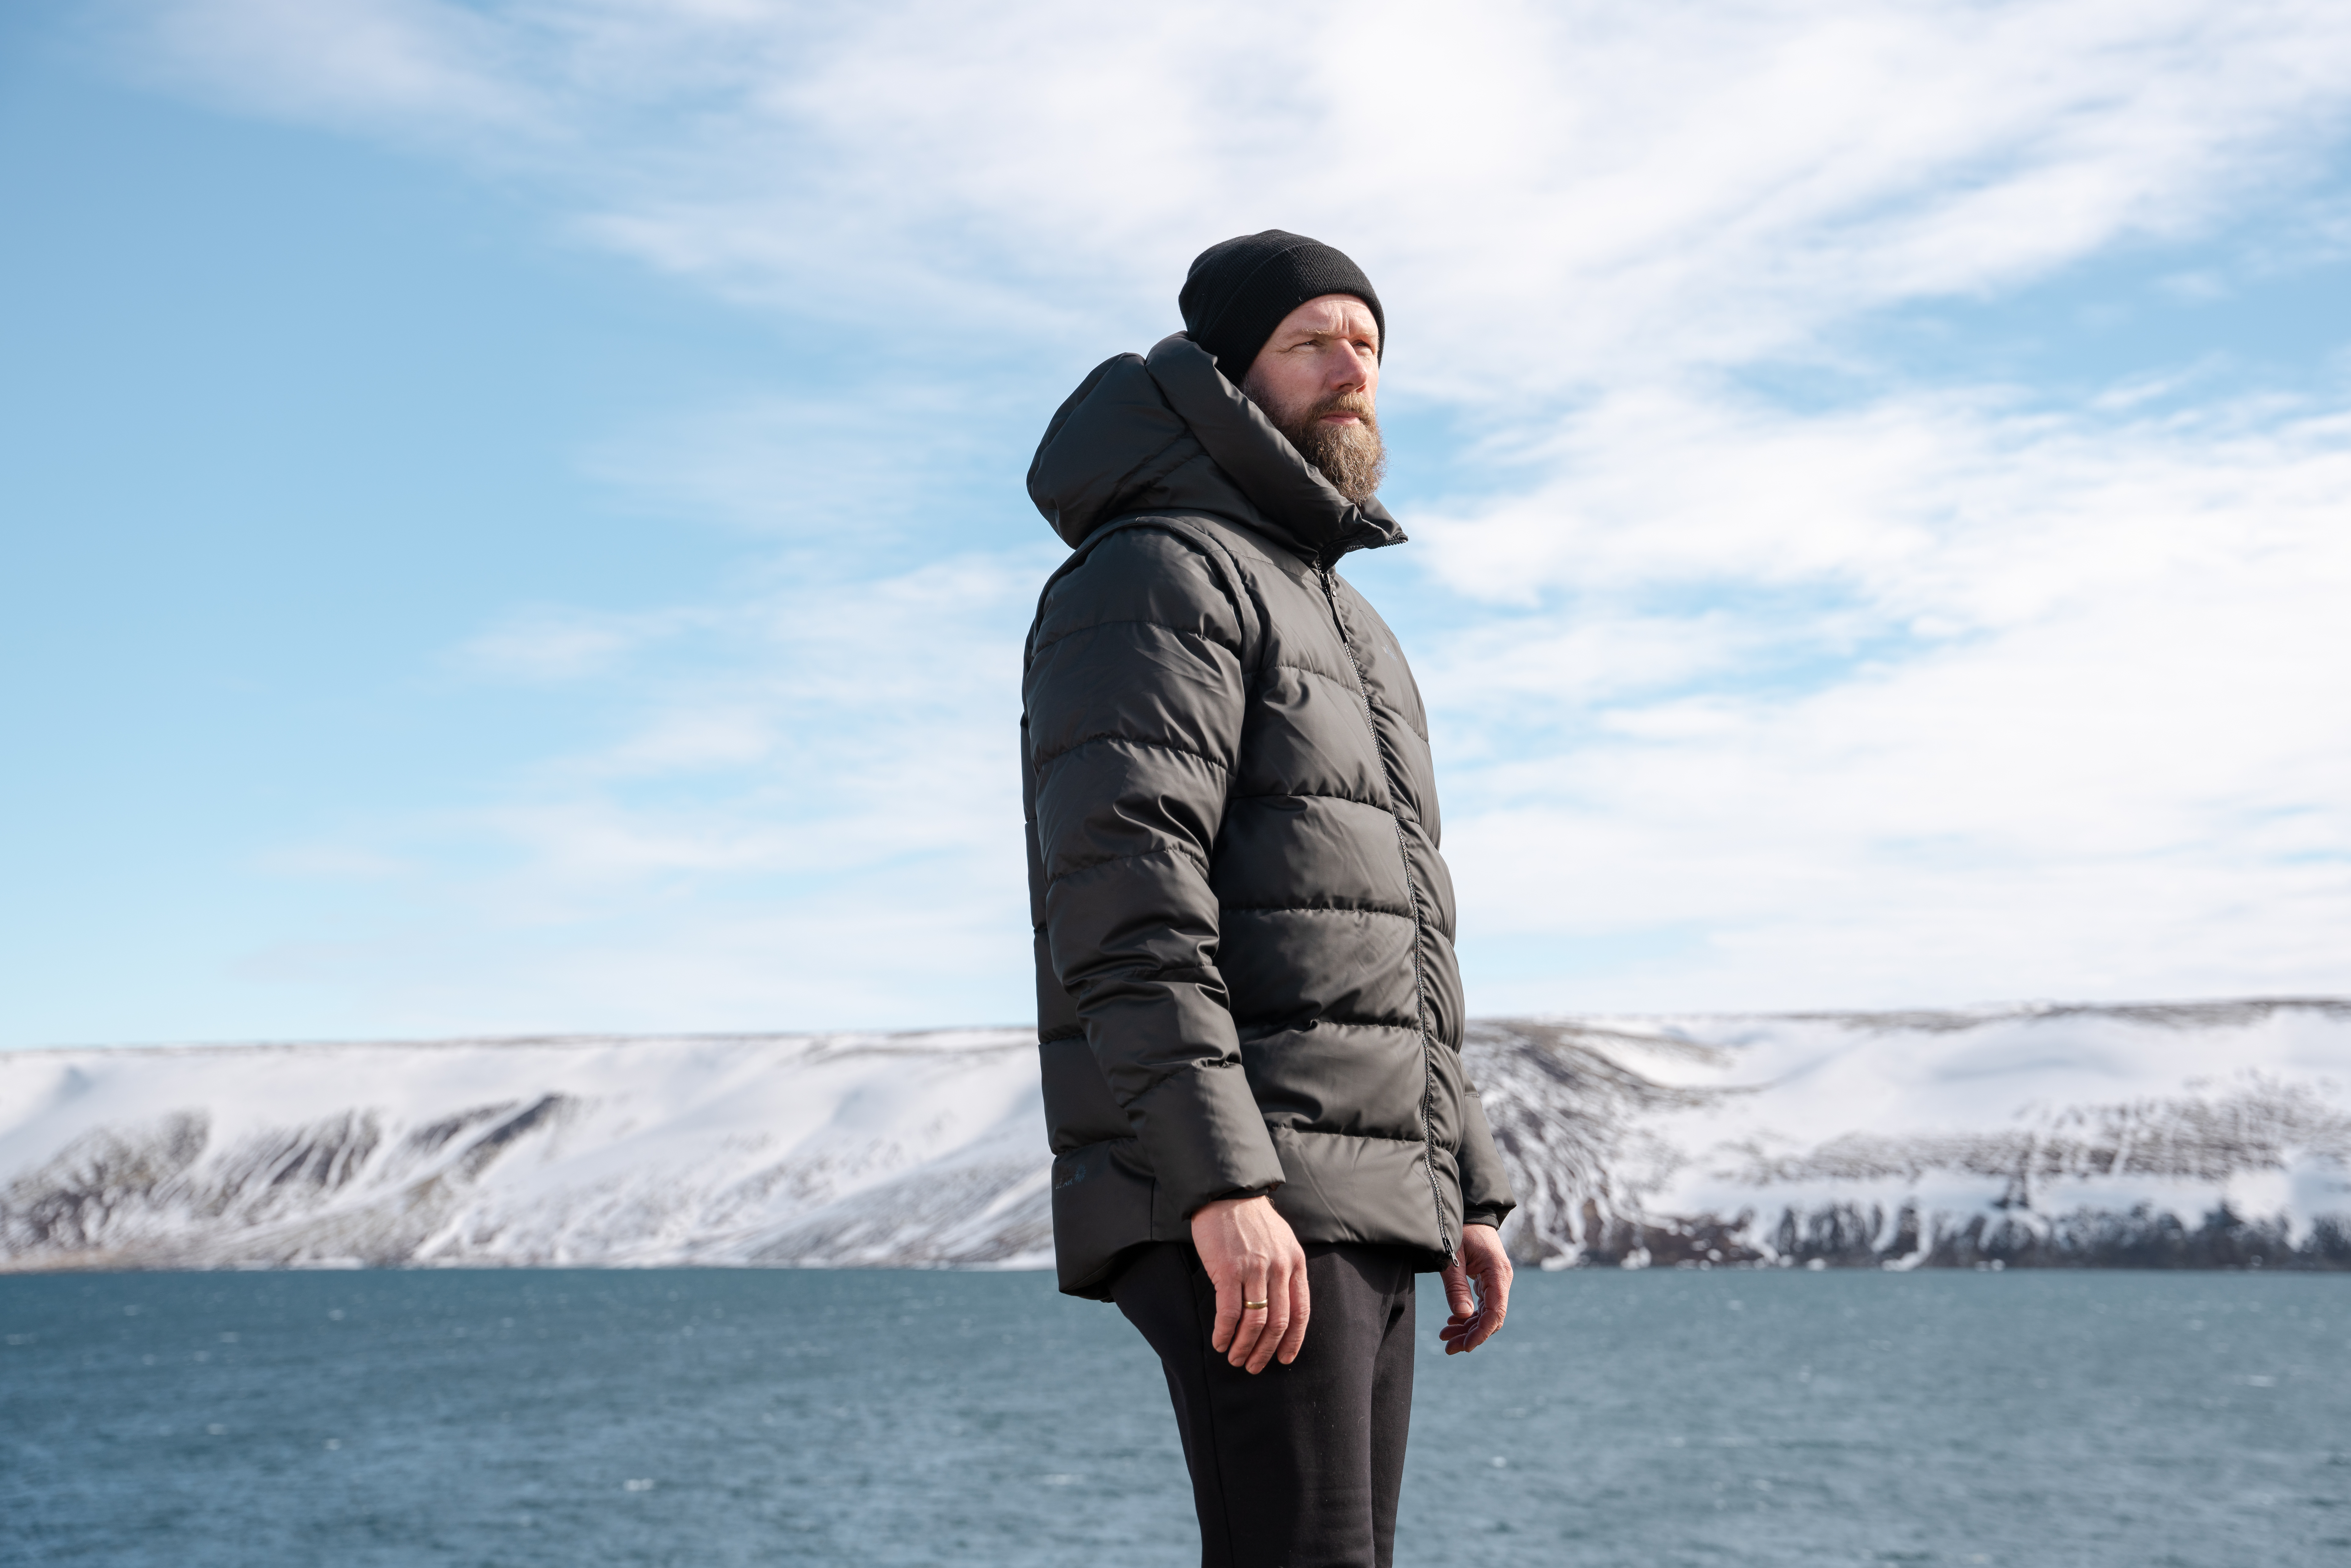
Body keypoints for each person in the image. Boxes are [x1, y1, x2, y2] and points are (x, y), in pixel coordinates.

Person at [1021, 230, 1516, 1568]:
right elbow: (1126, 904)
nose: (1350, 365)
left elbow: (1391, 940)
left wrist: (1462, 1182)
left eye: (1368, 342)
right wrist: (1226, 1183)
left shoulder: (1347, 623)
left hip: (1356, 1189)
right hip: (1248, 1193)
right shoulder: (1156, 574)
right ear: (1230, 376)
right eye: (1313, 340)